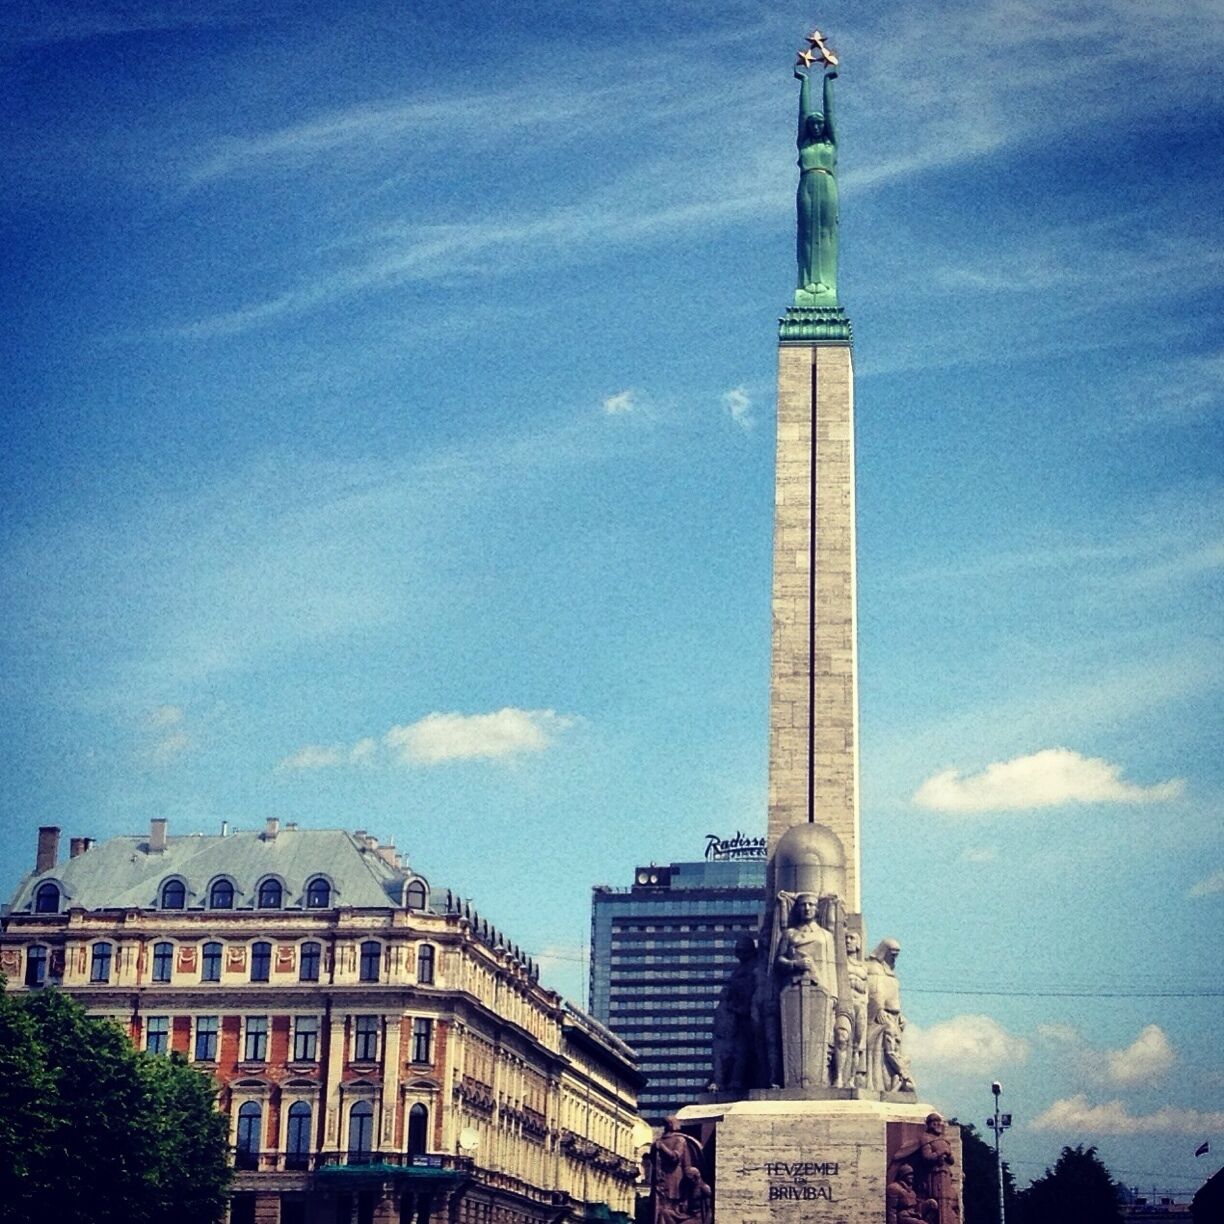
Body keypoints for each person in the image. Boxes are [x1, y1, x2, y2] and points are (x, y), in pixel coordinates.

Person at [773, 892, 838, 1087]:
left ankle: (824, 1077)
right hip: (792, 991)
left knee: (826, 1036)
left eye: (811, 905)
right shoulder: (789, 934)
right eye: (803, 905)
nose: (807, 909)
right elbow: (779, 961)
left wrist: (833, 994)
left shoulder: (826, 936)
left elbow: (831, 967)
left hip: (820, 992)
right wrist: (796, 964)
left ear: (817, 909)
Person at [793, 68, 839, 302]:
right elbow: (801, 114)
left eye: (820, 123)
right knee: (807, 233)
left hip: (827, 184)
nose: (817, 126)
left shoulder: (831, 144)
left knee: (826, 232)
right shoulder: (803, 143)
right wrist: (804, 82)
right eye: (814, 124)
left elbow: (830, 111)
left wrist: (827, 82)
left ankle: (825, 281)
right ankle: (808, 281)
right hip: (807, 184)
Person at [866, 938, 915, 1091]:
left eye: (896, 955)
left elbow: (893, 995)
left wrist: (899, 1014)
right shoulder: (874, 968)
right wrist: (879, 1009)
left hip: (894, 1016)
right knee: (889, 1050)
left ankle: (897, 1079)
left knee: (893, 1049)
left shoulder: (889, 971)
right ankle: (903, 1074)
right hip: (882, 1017)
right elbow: (875, 991)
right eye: (892, 954)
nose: (894, 958)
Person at [650, 1117, 705, 1224]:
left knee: (673, 1201)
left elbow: (675, 1157)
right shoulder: (661, 1141)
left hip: (675, 1175)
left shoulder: (679, 1140)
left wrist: (662, 1148)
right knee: (662, 1203)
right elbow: (654, 1159)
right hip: (663, 1176)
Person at [919, 1112, 957, 1224]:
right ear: (929, 1125)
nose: (937, 1125)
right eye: (934, 1122)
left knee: (947, 1201)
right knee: (937, 1201)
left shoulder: (944, 1140)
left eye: (938, 1122)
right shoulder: (925, 1138)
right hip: (934, 1174)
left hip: (946, 1174)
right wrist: (941, 1152)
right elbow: (926, 1157)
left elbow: (952, 1161)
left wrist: (948, 1155)